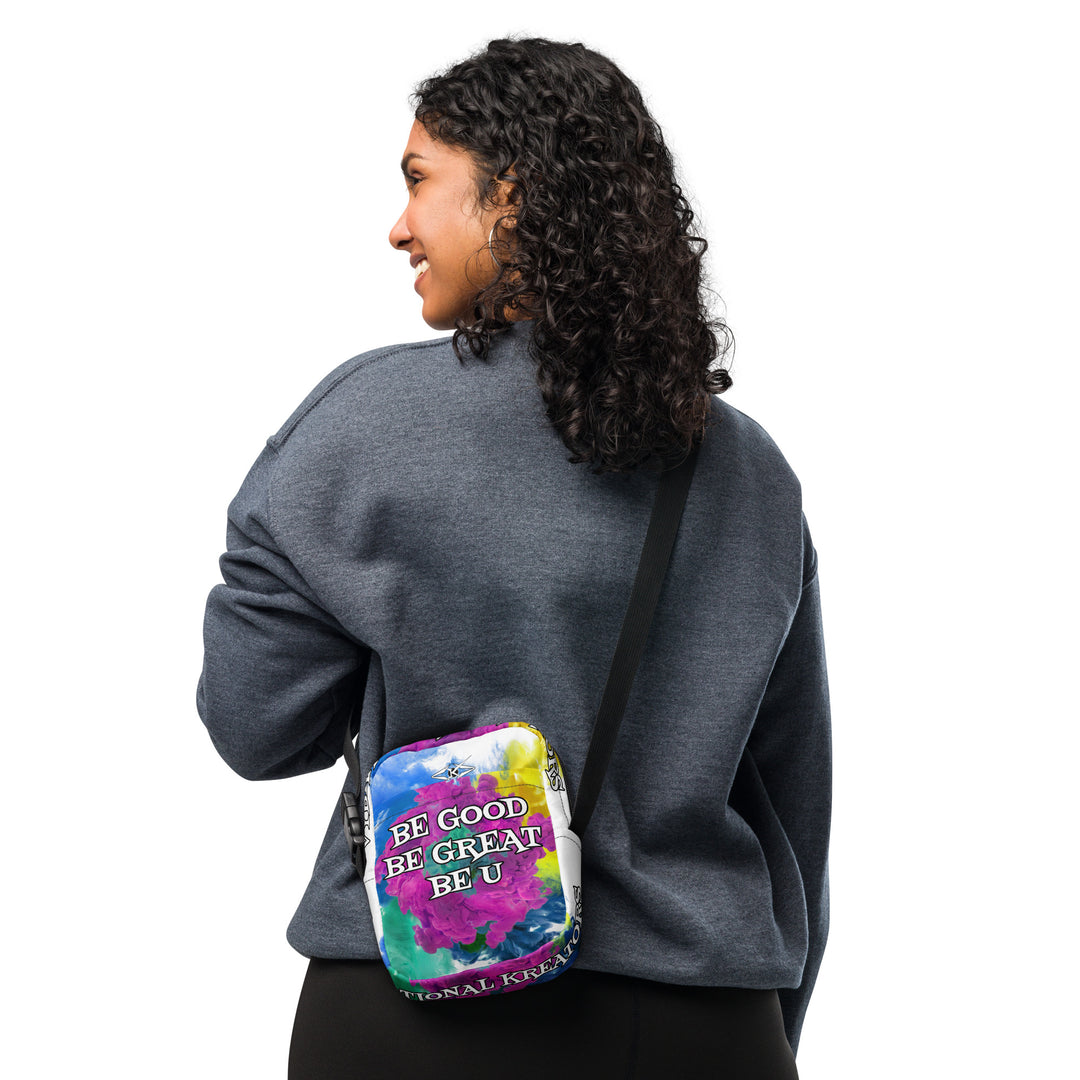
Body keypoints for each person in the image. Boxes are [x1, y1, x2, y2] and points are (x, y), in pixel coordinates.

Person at [197, 37, 830, 1080]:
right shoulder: (749, 469)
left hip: (413, 1009)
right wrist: (757, 1024)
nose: (398, 226)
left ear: (512, 198)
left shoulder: (362, 424)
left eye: (418, 181)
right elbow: (795, 804)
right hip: (698, 1017)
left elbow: (255, 727)